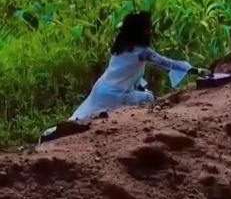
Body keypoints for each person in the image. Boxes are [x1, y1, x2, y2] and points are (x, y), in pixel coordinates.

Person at [41, 11, 211, 141]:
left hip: (100, 88)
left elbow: (131, 73)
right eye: (148, 28)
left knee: (83, 115)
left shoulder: (121, 47)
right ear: (141, 32)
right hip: (116, 94)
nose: (151, 31)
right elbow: (169, 63)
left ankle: (53, 133)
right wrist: (196, 71)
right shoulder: (144, 53)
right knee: (149, 98)